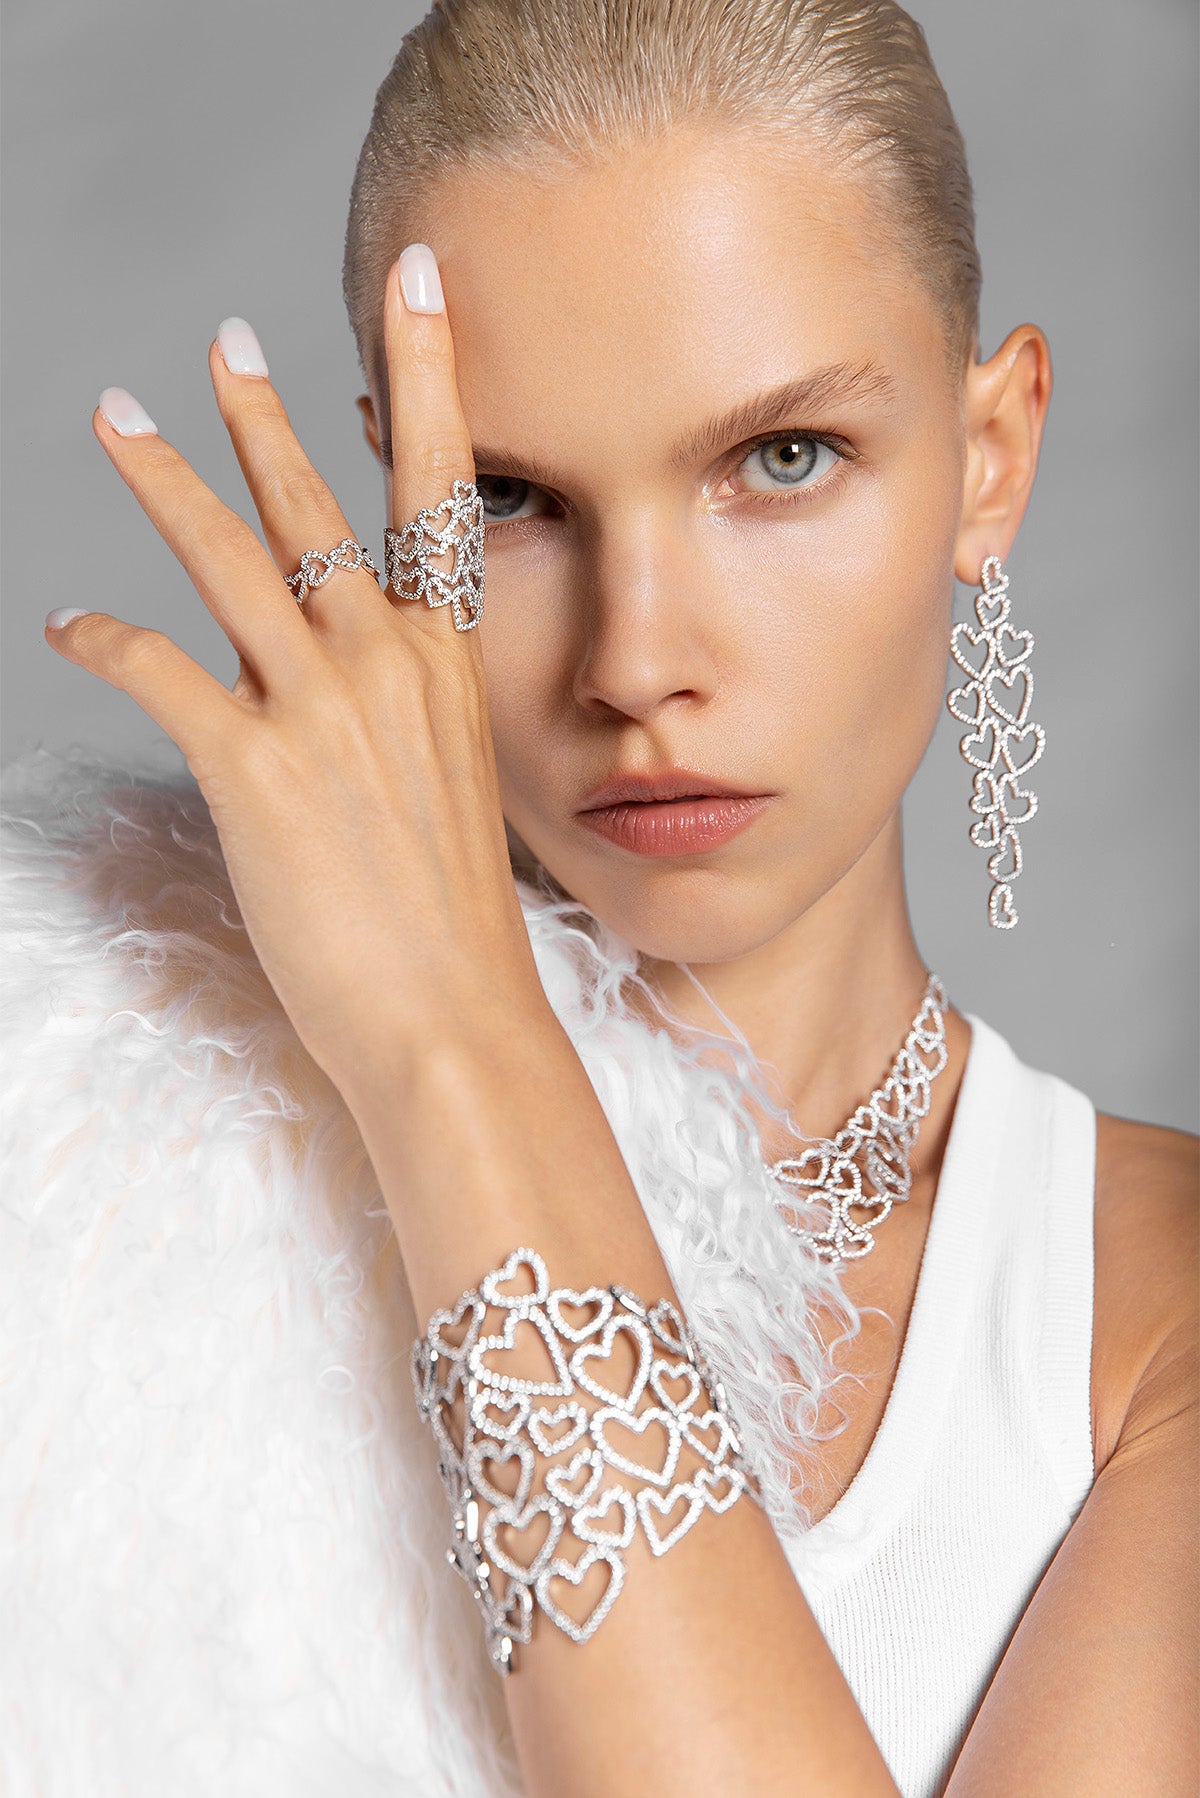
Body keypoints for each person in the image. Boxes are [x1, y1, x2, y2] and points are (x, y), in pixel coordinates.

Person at [3, 1, 1196, 1793]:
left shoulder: (1153, 1304)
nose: (638, 658)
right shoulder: (92, 1191)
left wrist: (452, 1046)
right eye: (505, 496)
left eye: (780, 459)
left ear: (994, 456)